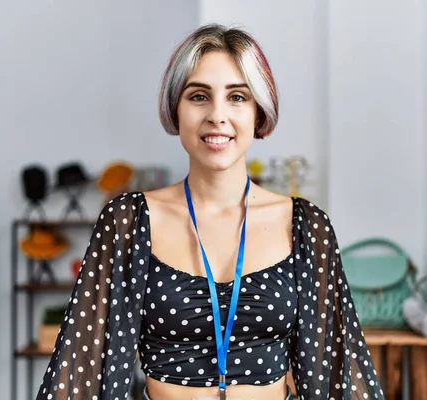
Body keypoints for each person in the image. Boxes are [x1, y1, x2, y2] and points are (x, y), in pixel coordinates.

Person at [35, 23, 384, 400]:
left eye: (237, 97)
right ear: (176, 109)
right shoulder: (129, 221)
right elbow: (83, 369)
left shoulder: (306, 227)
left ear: (258, 112)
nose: (218, 115)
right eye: (199, 96)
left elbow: (338, 378)